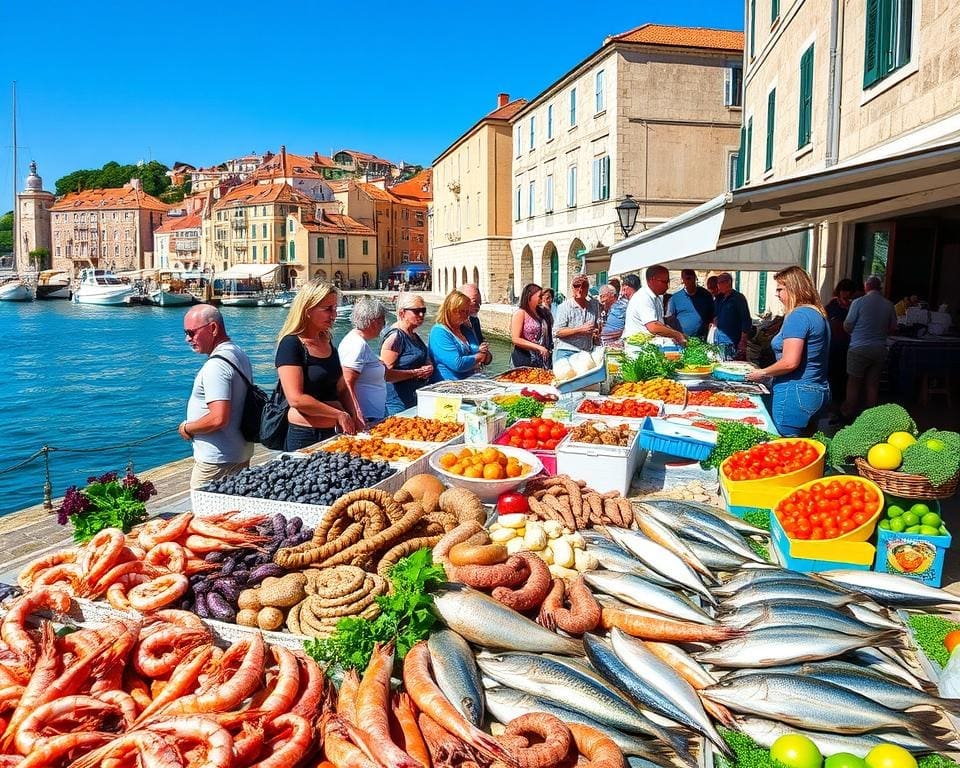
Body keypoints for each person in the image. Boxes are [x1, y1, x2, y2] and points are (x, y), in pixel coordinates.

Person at [274, 279, 363, 452]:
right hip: (306, 436)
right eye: (328, 309)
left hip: (336, 432)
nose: (334, 315)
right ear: (308, 310)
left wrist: (355, 415)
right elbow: (296, 398)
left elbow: (342, 389)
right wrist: (338, 414)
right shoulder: (291, 344)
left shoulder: (327, 342)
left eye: (335, 309)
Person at [746, 266, 830, 437]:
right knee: (808, 451)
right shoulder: (817, 314)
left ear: (794, 288)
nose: (777, 294)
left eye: (780, 289)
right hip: (817, 391)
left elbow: (790, 362)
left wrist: (762, 373)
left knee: (787, 450)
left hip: (795, 394)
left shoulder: (798, 316)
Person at [180, 305, 254, 489]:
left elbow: (218, 418)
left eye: (191, 332)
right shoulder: (237, 353)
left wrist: (187, 428)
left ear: (213, 328)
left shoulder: (216, 366)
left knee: (204, 513)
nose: (188, 338)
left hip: (217, 462)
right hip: (238, 452)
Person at [841, 275, 898, 420]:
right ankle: (870, 416)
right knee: (873, 383)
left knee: (854, 382)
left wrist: (856, 333)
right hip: (879, 349)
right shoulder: (889, 304)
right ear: (880, 287)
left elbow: (847, 325)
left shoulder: (858, 302)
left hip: (858, 348)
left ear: (866, 286)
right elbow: (893, 328)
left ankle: (849, 413)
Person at [380, 293, 434, 415]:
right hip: (398, 403)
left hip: (413, 398)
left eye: (423, 310)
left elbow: (420, 356)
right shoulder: (395, 337)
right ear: (402, 313)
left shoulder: (413, 335)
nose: (421, 314)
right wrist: (417, 373)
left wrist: (428, 365)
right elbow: (386, 374)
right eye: (416, 311)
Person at [338, 297, 388, 428]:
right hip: (367, 418)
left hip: (373, 415)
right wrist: (357, 415)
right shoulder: (356, 345)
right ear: (374, 322)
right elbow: (347, 383)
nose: (384, 325)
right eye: (383, 321)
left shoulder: (357, 341)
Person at [428, 290, 489, 380]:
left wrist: (484, 355)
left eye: (467, 312)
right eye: (461, 311)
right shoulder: (439, 333)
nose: (465, 315)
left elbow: (485, 355)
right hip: (449, 384)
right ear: (450, 311)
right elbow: (457, 364)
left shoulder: (465, 328)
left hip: (472, 380)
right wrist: (479, 357)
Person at [622, 265, 687, 346]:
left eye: (668, 282)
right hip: (639, 350)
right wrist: (677, 335)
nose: (667, 286)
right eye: (664, 282)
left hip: (649, 347)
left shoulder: (657, 297)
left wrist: (674, 333)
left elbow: (658, 323)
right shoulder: (644, 297)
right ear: (653, 280)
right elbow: (653, 327)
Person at [825, 278, 857, 412]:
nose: (846, 294)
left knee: (845, 371)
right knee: (833, 370)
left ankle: (842, 400)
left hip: (849, 342)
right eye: (843, 290)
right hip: (834, 342)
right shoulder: (832, 304)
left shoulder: (854, 305)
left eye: (848, 291)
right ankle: (832, 400)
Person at [552, 275, 601, 361]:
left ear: (588, 288)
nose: (580, 289)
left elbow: (596, 326)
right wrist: (580, 330)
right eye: (577, 286)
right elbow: (557, 332)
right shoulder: (564, 307)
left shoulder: (594, 305)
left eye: (584, 286)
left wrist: (595, 332)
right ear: (572, 288)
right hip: (567, 351)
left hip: (586, 352)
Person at [712, 272, 752, 359]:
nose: (718, 286)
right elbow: (715, 315)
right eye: (717, 283)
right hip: (719, 340)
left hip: (732, 341)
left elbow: (746, 320)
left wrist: (743, 340)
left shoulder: (738, 298)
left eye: (720, 283)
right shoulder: (719, 298)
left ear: (728, 282)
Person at [510, 283, 551, 368]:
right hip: (525, 357)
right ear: (530, 297)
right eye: (539, 296)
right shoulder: (520, 314)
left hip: (541, 358)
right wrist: (538, 347)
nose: (541, 298)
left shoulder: (541, 312)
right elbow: (515, 339)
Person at [667, 269, 715, 340]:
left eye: (692, 278)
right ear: (682, 280)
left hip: (702, 338)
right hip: (682, 339)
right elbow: (670, 318)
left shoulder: (706, 295)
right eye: (687, 278)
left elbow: (712, 315)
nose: (691, 281)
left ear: (695, 278)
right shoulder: (675, 298)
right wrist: (676, 334)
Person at [461, 284, 493, 367]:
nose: (478, 307)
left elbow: (486, 357)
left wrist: (486, 353)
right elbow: (457, 363)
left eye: (480, 303)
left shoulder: (474, 320)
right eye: (474, 302)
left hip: (476, 372)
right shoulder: (452, 326)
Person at [539, 287, 556, 361]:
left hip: (552, 339)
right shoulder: (540, 309)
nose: (549, 299)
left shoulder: (555, 308)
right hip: (543, 340)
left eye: (550, 297)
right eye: (546, 297)